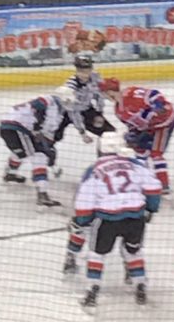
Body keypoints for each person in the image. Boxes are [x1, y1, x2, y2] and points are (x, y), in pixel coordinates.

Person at [64, 131, 162, 310]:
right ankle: (140, 287)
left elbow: (84, 200)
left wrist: (82, 220)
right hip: (135, 217)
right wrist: (151, 208)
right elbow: (154, 187)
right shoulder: (135, 164)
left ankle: (92, 292)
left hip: (107, 219)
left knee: (97, 254)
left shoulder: (93, 169)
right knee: (133, 251)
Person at [0, 87, 77, 207]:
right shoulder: (49, 100)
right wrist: (37, 129)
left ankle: (10, 173)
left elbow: (44, 130)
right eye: (68, 101)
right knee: (39, 157)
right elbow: (37, 107)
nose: (69, 103)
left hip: (9, 127)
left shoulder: (56, 110)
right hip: (18, 128)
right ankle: (42, 194)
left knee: (23, 151)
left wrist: (46, 146)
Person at [100, 77, 174, 193]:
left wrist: (158, 105)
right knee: (140, 152)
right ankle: (145, 181)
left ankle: (163, 184)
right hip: (150, 127)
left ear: (109, 92)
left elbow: (153, 94)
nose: (103, 96)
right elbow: (132, 126)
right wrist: (133, 134)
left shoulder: (131, 93)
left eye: (104, 93)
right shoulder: (118, 111)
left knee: (156, 153)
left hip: (165, 122)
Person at [63, 54, 114, 139]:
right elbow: (73, 112)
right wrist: (82, 133)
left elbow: (99, 95)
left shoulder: (95, 77)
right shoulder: (71, 86)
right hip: (74, 112)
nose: (85, 72)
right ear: (77, 69)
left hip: (88, 108)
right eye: (81, 69)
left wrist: (99, 113)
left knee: (110, 133)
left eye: (88, 68)